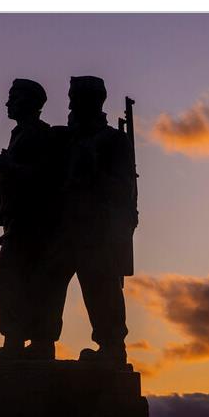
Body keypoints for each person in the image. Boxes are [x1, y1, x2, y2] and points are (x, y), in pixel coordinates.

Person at [43, 75, 138, 366]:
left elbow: (124, 188)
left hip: (97, 229)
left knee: (101, 288)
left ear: (95, 101)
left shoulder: (113, 140)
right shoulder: (64, 138)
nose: (71, 102)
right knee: (47, 285)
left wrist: (93, 169)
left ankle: (111, 347)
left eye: (78, 96)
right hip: (62, 226)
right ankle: (41, 342)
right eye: (71, 96)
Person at [0, 78, 59, 363]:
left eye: (14, 97)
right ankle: (22, 342)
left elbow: (47, 178)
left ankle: (25, 343)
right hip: (18, 222)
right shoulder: (20, 134)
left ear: (30, 102)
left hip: (34, 224)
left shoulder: (40, 135)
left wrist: (11, 167)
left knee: (21, 279)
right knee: (15, 279)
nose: (8, 102)